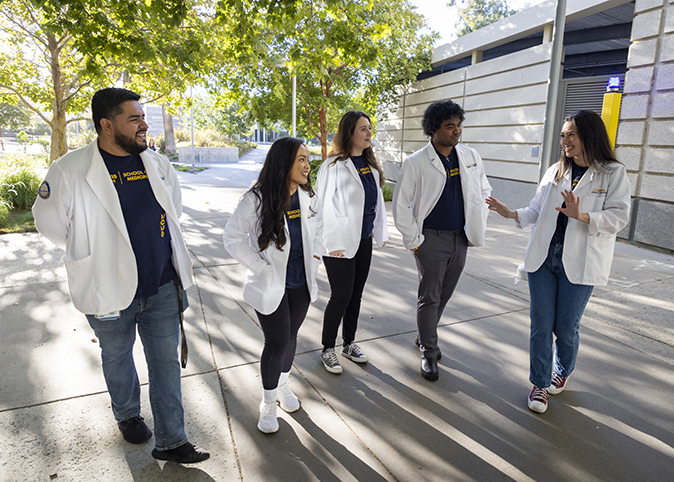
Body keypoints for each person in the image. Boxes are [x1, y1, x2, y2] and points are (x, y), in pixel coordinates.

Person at [32, 88, 209, 463]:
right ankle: (128, 414)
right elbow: (48, 223)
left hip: (161, 284)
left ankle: (172, 440)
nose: (144, 124)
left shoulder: (157, 164)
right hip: (107, 287)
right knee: (117, 356)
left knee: (165, 363)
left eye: (143, 117)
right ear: (107, 125)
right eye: (134, 119)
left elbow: (172, 211)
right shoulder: (70, 169)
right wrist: (89, 253)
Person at [486, 110, 630, 414]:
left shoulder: (612, 173)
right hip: (544, 258)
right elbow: (536, 211)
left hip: (580, 262)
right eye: (563, 135)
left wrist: (583, 216)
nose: (564, 141)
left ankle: (560, 371)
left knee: (566, 328)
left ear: (589, 136)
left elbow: (619, 216)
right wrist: (511, 213)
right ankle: (539, 383)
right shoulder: (555, 171)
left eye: (571, 135)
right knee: (541, 325)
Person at [223, 137, 323, 433]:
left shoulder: (307, 196)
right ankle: (267, 404)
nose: (307, 165)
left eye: (307, 159)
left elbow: (316, 231)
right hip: (271, 284)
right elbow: (232, 238)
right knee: (277, 342)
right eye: (301, 160)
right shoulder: (256, 199)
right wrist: (260, 267)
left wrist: (315, 255)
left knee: (291, 336)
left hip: (301, 282)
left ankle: (282, 386)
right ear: (284, 163)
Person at [393, 99, 491, 382]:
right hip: (430, 240)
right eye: (450, 126)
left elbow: (483, 188)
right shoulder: (416, 162)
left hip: (460, 237)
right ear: (433, 129)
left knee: (444, 294)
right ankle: (429, 350)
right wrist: (415, 240)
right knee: (430, 296)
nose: (456, 131)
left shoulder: (470, 155)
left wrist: (479, 217)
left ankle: (425, 334)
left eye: (459, 125)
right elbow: (401, 205)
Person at [315, 111, 388, 374]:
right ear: (349, 133)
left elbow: (375, 204)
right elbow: (322, 206)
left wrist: (379, 233)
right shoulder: (333, 165)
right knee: (341, 296)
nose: (369, 134)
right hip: (339, 243)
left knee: (356, 295)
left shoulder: (369, 164)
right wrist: (330, 242)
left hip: (363, 240)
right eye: (363, 129)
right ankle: (327, 349)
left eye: (369, 128)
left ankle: (348, 343)